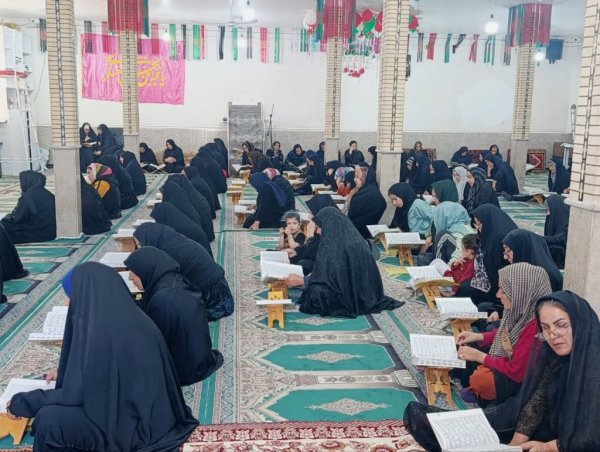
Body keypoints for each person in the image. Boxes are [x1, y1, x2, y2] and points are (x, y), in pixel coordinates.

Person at [6, 262, 199, 451]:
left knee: (49, 420)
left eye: (73, 297)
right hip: (155, 418)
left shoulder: (101, 335)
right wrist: (65, 371)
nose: (68, 304)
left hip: (134, 430)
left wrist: (22, 402)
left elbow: (75, 395)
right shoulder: (133, 317)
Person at [404, 290, 600, 452]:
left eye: (562, 325)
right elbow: (538, 400)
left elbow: (592, 437)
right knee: (441, 425)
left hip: (576, 443)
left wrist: (549, 447)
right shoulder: (556, 358)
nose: (553, 334)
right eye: (546, 328)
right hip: (555, 432)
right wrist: (514, 445)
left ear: (580, 323)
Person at [456, 263, 553, 405]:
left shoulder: (537, 326)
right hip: (509, 359)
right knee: (467, 347)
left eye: (504, 291)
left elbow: (517, 372)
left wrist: (479, 356)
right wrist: (478, 336)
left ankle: (482, 393)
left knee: (481, 379)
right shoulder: (522, 308)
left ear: (521, 292)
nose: (498, 295)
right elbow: (507, 334)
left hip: (520, 380)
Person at [124, 247, 223, 385]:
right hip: (199, 357)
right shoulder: (173, 279)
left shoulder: (164, 298)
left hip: (184, 368)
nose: (130, 277)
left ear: (146, 269)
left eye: (134, 272)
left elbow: (154, 341)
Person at [282, 207, 403, 318]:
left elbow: (334, 279)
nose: (318, 231)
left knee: (315, 294)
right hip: (362, 289)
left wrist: (303, 280)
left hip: (355, 293)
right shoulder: (346, 237)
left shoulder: (339, 246)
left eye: (320, 227)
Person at [134, 223, 233, 321]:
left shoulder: (168, 251)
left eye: (139, 244)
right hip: (214, 282)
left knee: (168, 311)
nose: (139, 248)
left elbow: (163, 280)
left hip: (211, 292)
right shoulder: (170, 240)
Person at [458, 204, 518, 308]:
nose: (477, 227)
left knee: (464, 289)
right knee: (462, 285)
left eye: (479, 223)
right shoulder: (489, 234)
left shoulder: (499, 239)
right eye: (476, 223)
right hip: (488, 281)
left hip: (498, 289)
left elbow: (497, 274)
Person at [1, 171, 56, 244]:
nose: (21, 185)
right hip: (50, 233)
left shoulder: (28, 196)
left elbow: (17, 218)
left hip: (36, 233)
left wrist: (6, 218)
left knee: (3, 226)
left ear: (28, 182)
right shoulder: (49, 195)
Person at [289, 195, 336, 275]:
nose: (309, 216)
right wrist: (296, 252)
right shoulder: (322, 224)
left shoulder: (332, 230)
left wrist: (310, 236)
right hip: (315, 260)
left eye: (312, 212)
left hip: (327, 269)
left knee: (303, 263)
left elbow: (313, 255)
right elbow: (309, 250)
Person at [429, 197, 474, 263]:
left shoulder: (458, 232)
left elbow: (458, 256)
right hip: (451, 262)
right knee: (422, 258)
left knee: (441, 235)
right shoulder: (461, 226)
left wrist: (447, 267)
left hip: (453, 264)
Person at [347, 164, 387, 239]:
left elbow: (348, 215)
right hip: (363, 235)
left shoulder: (366, 195)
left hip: (357, 235)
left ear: (365, 177)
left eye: (357, 177)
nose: (354, 180)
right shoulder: (368, 191)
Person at [543, 195, 569, 269]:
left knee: (555, 249)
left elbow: (561, 239)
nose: (548, 211)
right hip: (556, 247)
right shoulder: (555, 217)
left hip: (563, 253)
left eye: (549, 208)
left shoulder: (568, 222)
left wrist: (542, 238)